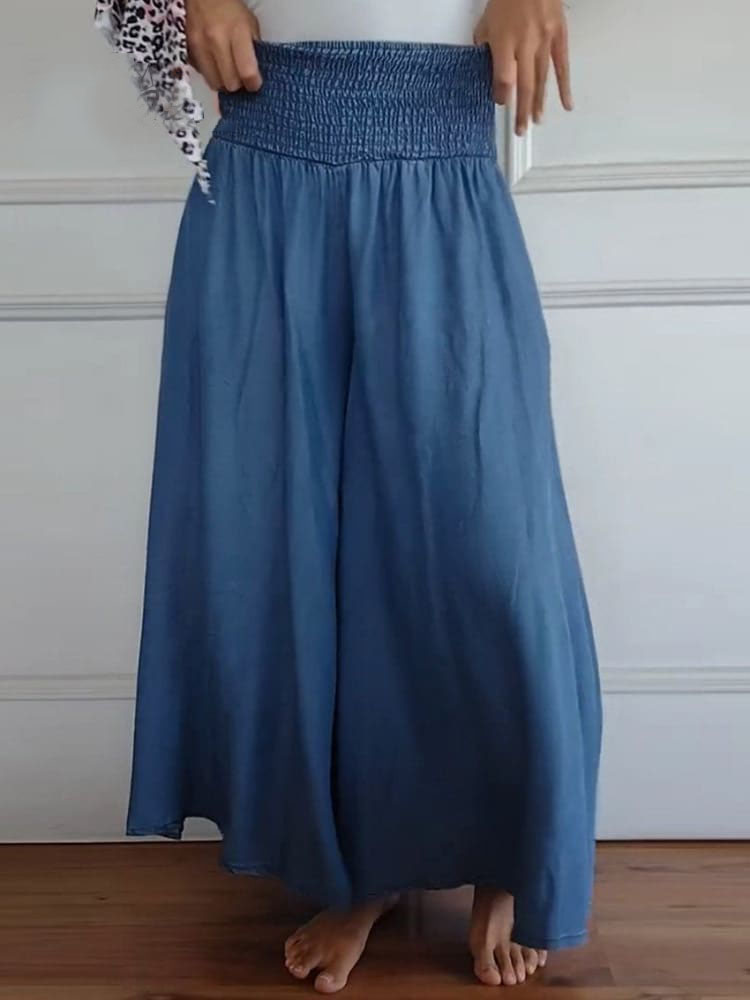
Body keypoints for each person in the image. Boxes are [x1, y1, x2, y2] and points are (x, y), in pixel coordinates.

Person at [108, 0, 602, 992]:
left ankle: (512, 852)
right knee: (288, 552)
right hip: (264, 159)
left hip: (442, 157)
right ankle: (362, 871)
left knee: (488, 547)